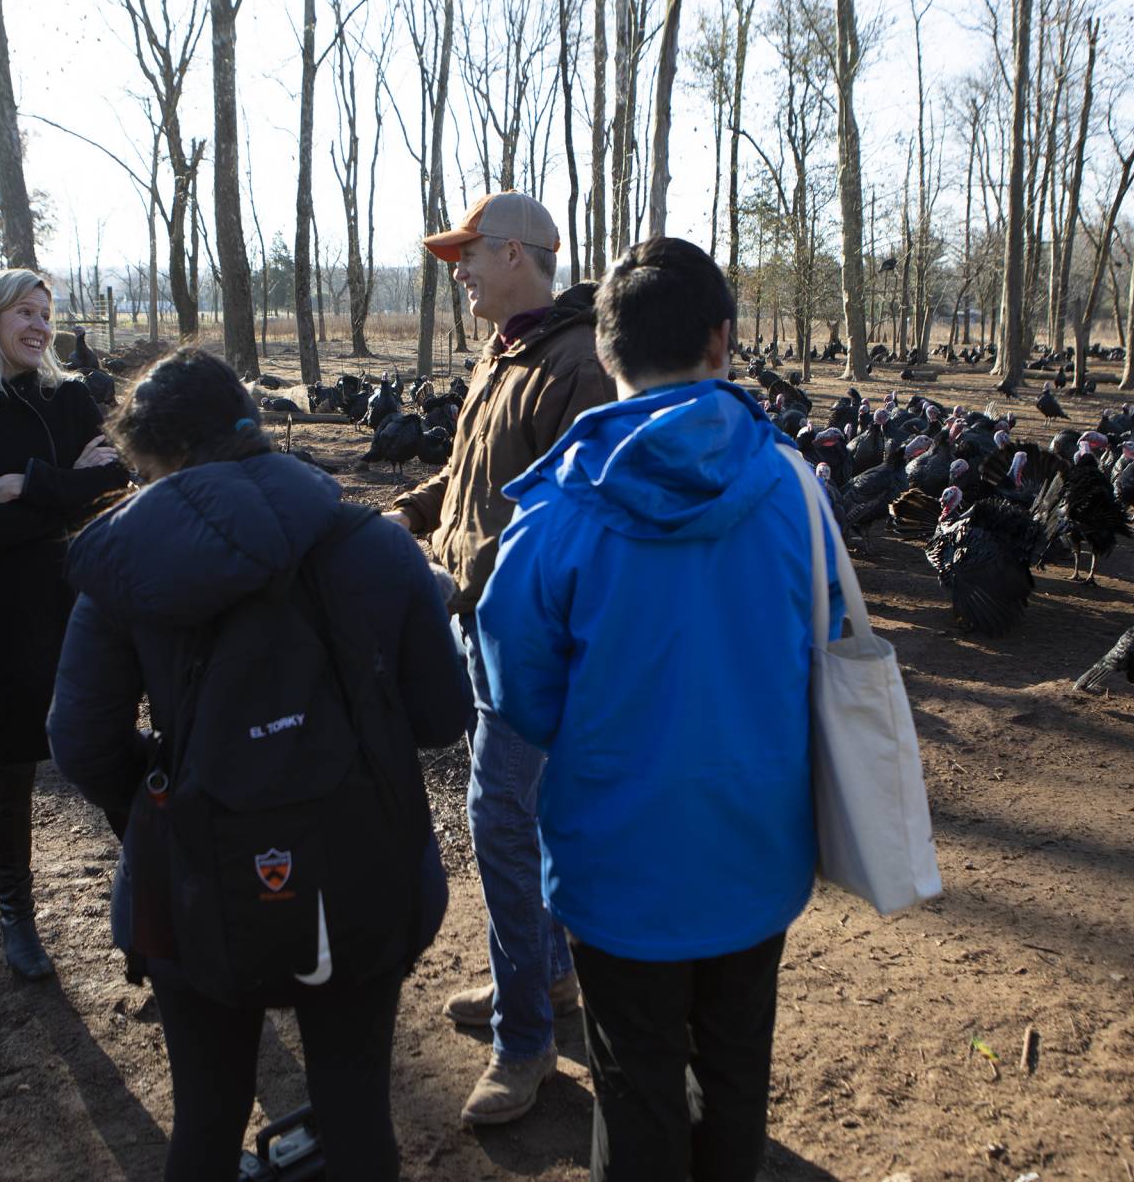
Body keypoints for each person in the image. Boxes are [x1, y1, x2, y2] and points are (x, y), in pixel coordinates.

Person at [48, 348, 473, 1181]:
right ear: (248, 427)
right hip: (363, 868)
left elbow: (80, 738)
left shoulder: (124, 569)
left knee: (205, 1116)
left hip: (193, 881)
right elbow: (443, 716)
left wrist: (161, 799)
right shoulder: (374, 546)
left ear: (155, 456)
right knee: (357, 1112)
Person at [474, 237, 844, 1182]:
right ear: (723, 340)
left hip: (617, 862)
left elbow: (518, 694)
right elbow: (827, 639)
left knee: (635, 1085)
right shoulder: (796, 491)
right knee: (734, 1071)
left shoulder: (553, 516)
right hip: (756, 849)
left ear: (605, 355)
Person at [383, 190, 615, 1124]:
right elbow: (472, 478)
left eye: (468, 255)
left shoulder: (579, 366)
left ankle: (526, 1043)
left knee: (503, 825)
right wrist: (398, 519)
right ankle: (547, 980)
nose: (458, 271)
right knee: (525, 819)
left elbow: (561, 522)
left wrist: (462, 574)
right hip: (479, 622)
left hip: (532, 638)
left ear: (518, 254)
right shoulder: (505, 351)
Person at [0, 272, 130, 980]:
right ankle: (17, 915)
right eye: (25, 313)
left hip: (77, 596)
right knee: (8, 769)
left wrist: (22, 484)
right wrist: (61, 485)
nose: (42, 326)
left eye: (47, 313)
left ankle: (156, 890)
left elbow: (111, 479)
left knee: (106, 746)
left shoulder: (68, 395)